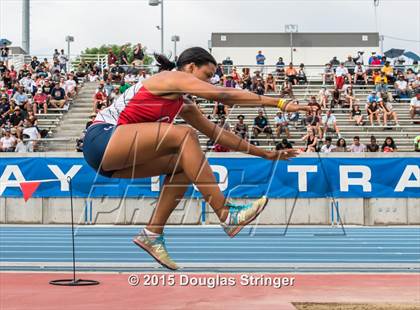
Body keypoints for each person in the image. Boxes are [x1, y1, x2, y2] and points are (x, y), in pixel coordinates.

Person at [82, 47, 310, 270]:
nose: (209, 82)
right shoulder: (169, 78)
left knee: (183, 165)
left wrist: (265, 154)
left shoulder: (184, 104)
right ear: (190, 67)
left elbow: (218, 134)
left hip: (111, 161)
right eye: (208, 75)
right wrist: (278, 102)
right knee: (185, 135)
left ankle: (152, 233)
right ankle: (226, 213)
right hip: (101, 139)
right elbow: (223, 95)